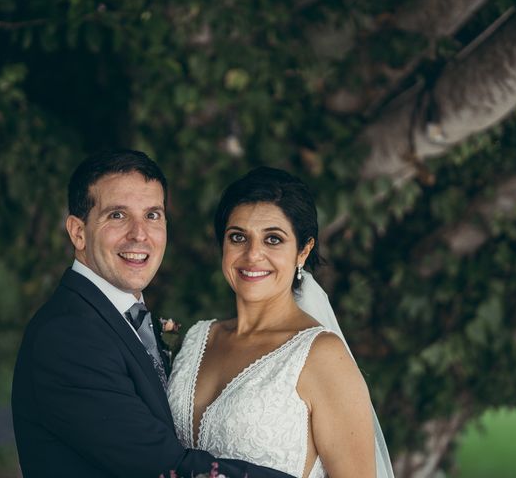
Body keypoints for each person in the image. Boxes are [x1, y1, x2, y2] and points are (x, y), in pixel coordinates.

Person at [11, 150, 293, 478]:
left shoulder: (118, 319)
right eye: (117, 215)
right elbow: (164, 467)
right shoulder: (68, 335)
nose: (140, 234)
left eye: (153, 215)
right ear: (78, 232)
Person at [167, 167, 394, 478]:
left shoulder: (323, 356)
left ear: (303, 251)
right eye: (238, 237)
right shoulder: (197, 338)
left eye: (273, 239)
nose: (253, 254)